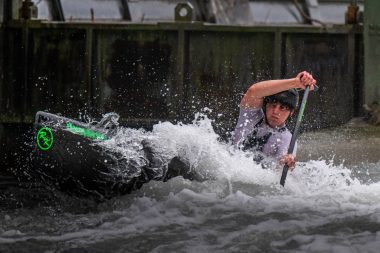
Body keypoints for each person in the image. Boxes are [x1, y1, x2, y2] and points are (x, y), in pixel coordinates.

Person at [232, 71, 316, 170]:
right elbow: (253, 91)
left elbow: (280, 169)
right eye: (273, 105)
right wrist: (296, 82)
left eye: (283, 108)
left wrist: (287, 162)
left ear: (291, 112)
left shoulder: (287, 139)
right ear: (266, 105)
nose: (275, 111)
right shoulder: (251, 117)